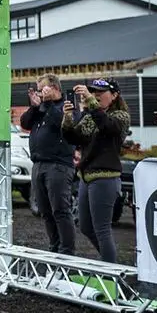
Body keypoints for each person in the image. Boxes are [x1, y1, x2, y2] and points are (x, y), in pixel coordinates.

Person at [62, 78, 131, 263]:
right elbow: (73, 137)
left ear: (115, 95)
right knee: (85, 226)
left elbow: (107, 126)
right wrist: (67, 117)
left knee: (102, 228)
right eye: (93, 92)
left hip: (105, 177)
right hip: (86, 176)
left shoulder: (120, 116)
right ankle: (110, 263)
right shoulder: (92, 114)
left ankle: (110, 272)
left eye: (101, 92)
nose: (96, 95)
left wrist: (91, 103)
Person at [19, 74, 76, 255]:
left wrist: (50, 104)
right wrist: (35, 107)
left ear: (55, 88)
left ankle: (67, 251)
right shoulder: (41, 108)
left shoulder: (66, 106)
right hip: (38, 164)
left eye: (43, 88)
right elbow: (25, 123)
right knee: (45, 211)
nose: (41, 93)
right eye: (39, 89)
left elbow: (62, 124)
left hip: (58, 165)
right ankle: (54, 246)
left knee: (60, 209)